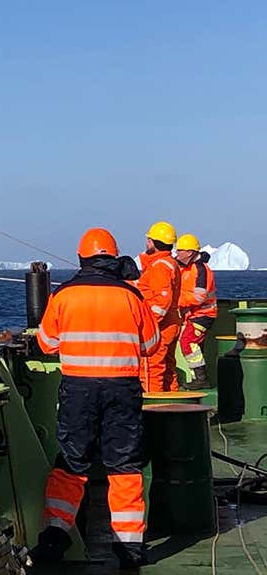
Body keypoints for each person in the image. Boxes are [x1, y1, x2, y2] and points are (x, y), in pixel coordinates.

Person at [32, 227, 160, 569]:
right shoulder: (131, 297)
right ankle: (130, 548)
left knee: (72, 463)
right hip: (123, 390)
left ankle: (55, 538)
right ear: (113, 259)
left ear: (81, 259)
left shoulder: (64, 296)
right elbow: (151, 346)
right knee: (125, 465)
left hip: (78, 390)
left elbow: (46, 344)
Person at [137, 221, 182, 392]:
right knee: (168, 370)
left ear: (154, 242)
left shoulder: (159, 267)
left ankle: (153, 410)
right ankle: (173, 408)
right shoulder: (167, 264)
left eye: (149, 240)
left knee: (151, 370)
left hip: (160, 328)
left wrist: (147, 324)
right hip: (171, 324)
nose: (147, 242)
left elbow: (161, 301)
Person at [176, 233, 217, 389]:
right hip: (194, 315)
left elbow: (198, 297)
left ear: (190, 252)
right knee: (195, 345)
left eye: (180, 250)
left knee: (187, 341)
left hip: (203, 315)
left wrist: (176, 301)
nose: (177, 253)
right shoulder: (186, 267)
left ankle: (201, 378)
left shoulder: (201, 270)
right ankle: (196, 378)